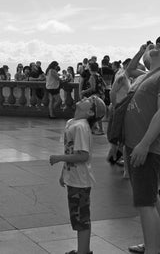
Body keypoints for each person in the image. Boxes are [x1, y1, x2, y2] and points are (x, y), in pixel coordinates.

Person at [125, 36, 160, 254]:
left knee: (145, 203)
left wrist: (144, 144)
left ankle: (153, 250)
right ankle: (155, 245)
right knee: (150, 197)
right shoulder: (149, 75)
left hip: (145, 146)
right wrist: (143, 51)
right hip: (135, 144)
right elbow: (130, 70)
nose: (156, 45)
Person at [50, 95, 106, 254]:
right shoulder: (72, 123)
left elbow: (83, 155)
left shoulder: (81, 127)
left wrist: (59, 159)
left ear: (90, 112)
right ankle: (83, 250)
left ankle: (83, 252)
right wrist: (64, 172)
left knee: (81, 219)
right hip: (74, 179)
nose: (85, 97)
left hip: (81, 182)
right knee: (77, 218)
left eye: (90, 99)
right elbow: (70, 149)